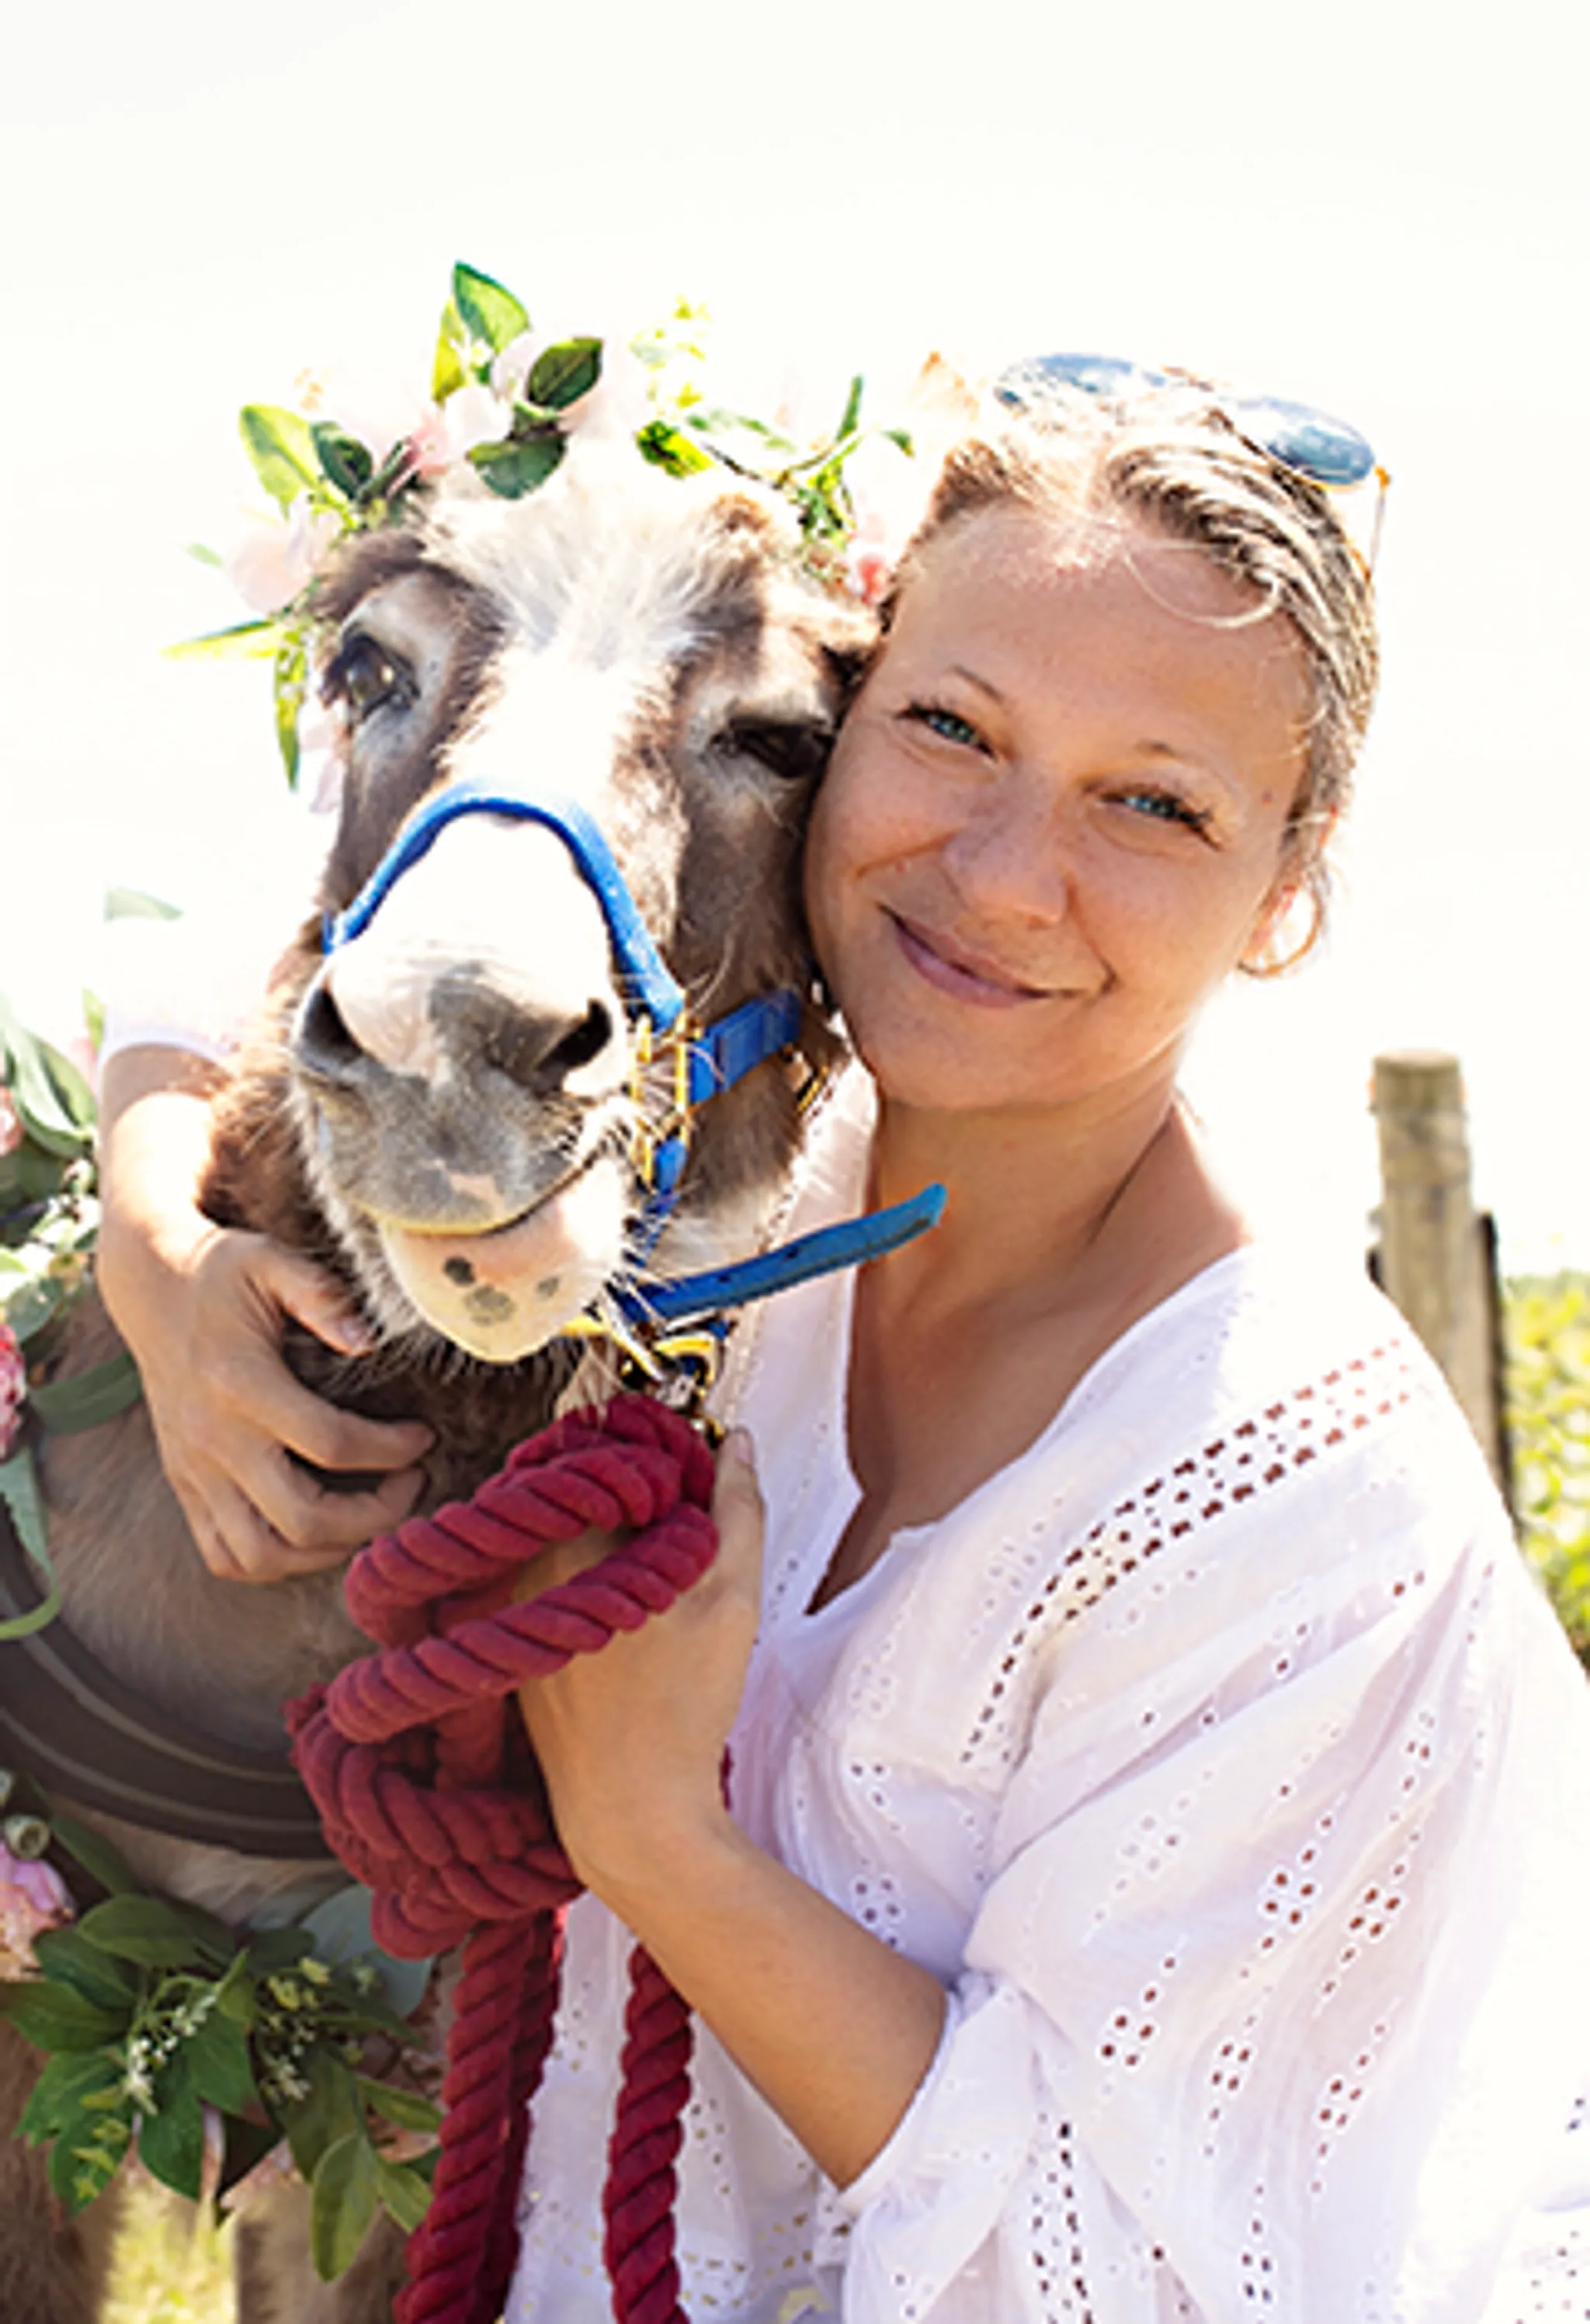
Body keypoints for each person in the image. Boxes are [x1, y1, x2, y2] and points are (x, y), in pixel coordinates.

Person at [94, 370, 1590, 2320]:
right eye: (950, 729)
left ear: (1284, 896)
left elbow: (1113, 2261)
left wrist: (652, 1833)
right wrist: (155, 1231)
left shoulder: (1309, 1513)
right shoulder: (733, 1212)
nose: (995, 870)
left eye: (1154, 801)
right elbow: (308, 924)